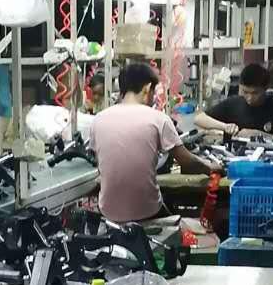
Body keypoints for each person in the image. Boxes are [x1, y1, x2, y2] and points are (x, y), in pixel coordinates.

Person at [91, 62, 215, 223]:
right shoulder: (158, 119)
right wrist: (210, 168)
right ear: (147, 88)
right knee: (176, 219)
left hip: (109, 212)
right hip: (147, 211)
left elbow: (101, 162)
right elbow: (187, 162)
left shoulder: (98, 120)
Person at [194, 61, 273, 138]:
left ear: (265, 88)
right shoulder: (233, 103)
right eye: (245, 92)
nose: (249, 98)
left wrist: (257, 135)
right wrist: (225, 127)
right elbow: (199, 119)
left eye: (255, 93)